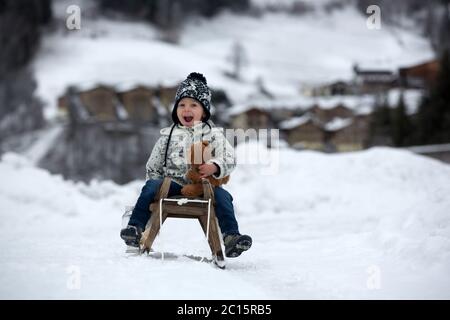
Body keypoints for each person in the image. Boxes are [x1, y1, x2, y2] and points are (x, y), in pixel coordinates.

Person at [120, 72, 252, 258]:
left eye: (193, 105)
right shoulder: (167, 137)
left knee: (224, 197)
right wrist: (156, 185)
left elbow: (230, 157)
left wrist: (215, 166)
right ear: (175, 110)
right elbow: (153, 166)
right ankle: (135, 227)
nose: (186, 109)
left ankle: (231, 237)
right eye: (181, 105)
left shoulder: (213, 135)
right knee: (150, 186)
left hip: (202, 186)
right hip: (171, 185)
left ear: (204, 111)